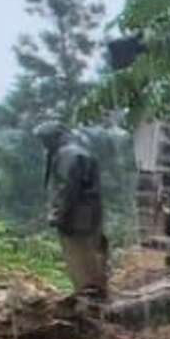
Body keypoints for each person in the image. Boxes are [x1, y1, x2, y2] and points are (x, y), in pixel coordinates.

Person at [36, 122, 107, 300]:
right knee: (91, 255)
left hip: (77, 217)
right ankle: (95, 295)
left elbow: (66, 190)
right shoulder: (77, 150)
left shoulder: (68, 155)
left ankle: (90, 299)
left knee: (80, 257)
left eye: (44, 140)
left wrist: (58, 215)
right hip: (88, 213)